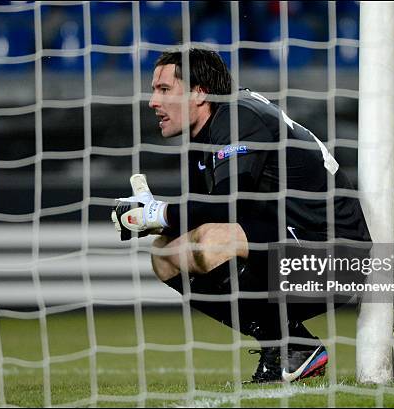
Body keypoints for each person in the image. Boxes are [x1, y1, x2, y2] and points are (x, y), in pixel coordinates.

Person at [111, 48, 371, 383]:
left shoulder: (239, 117)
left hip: (341, 261)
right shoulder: (207, 135)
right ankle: (290, 345)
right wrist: (156, 219)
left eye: (163, 89)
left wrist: (159, 212)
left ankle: (291, 345)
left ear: (199, 92)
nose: (152, 102)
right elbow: (207, 211)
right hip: (295, 250)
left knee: (209, 241)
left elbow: (225, 206)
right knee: (165, 253)